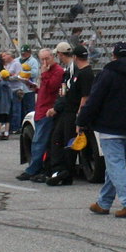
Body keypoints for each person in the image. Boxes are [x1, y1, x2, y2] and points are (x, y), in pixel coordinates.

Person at [76, 42, 126, 218]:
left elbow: (94, 100)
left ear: (114, 55)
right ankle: (104, 202)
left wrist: (82, 120)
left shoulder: (107, 74)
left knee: (115, 166)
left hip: (110, 127)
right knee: (115, 165)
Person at [45, 44, 95, 186]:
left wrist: (80, 116)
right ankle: (59, 169)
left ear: (75, 57)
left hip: (73, 112)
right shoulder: (76, 72)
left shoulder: (85, 73)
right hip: (67, 110)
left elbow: (85, 97)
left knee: (69, 143)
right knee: (57, 138)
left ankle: (67, 172)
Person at [17, 44, 65, 182]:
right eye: (42, 59)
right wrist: (35, 88)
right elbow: (44, 89)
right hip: (40, 109)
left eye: (47, 59)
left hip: (47, 111)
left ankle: (33, 169)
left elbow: (52, 88)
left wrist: (44, 74)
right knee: (38, 141)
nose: (45, 62)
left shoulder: (57, 71)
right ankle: (38, 167)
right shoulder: (47, 72)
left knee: (39, 141)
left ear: (52, 57)